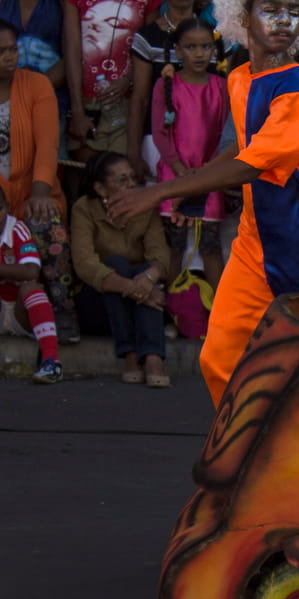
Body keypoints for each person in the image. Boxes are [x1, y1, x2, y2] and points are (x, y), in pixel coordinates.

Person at [106, 0, 299, 407]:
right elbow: (243, 147)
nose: (284, 21)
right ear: (242, 16)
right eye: (271, 9)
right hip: (254, 240)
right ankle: (250, 440)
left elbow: (254, 163)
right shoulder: (239, 78)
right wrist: (189, 188)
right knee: (220, 359)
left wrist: (161, 191)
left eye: (294, 11)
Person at [0, 19, 77, 343]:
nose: (9, 56)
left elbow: (47, 145)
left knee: (46, 217)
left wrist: (40, 192)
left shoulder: (37, 85)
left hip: (32, 192)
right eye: (1, 51)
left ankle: (63, 309)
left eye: (12, 49)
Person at [72, 152, 173, 387]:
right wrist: (135, 288)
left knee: (146, 269)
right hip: (100, 303)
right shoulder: (84, 209)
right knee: (116, 264)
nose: (131, 185)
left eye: (132, 178)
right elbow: (85, 265)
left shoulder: (144, 205)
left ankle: (153, 357)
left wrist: (148, 278)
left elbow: (160, 256)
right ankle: (129, 354)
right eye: (122, 180)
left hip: (139, 298)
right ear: (100, 189)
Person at [151, 18, 229, 289]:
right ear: (178, 50)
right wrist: (182, 172)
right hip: (175, 176)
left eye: (206, 47)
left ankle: (218, 311)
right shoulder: (166, 85)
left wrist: (208, 171)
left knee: (210, 247)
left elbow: (225, 134)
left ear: (214, 50)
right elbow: (160, 134)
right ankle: (171, 307)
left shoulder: (221, 87)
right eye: (191, 47)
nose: (199, 54)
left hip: (210, 176)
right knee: (174, 246)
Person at [63, 0, 155, 163]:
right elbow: (71, 49)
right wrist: (77, 111)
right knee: (86, 171)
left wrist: (128, 80)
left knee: (119, 171)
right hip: (86, 105)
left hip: (126, 106)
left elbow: (149, 49)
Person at [127, 0, 207, 181]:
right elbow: (140, 98)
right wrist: (133, 152)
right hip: (156, 141)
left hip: (204, 143)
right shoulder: (147, 36)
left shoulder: (214, 36)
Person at [0, 183, 61, 383]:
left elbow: (30, 271)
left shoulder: (17, 229)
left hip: (19, 312)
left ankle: (51, 361)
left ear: (7, 207)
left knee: (31, 287)